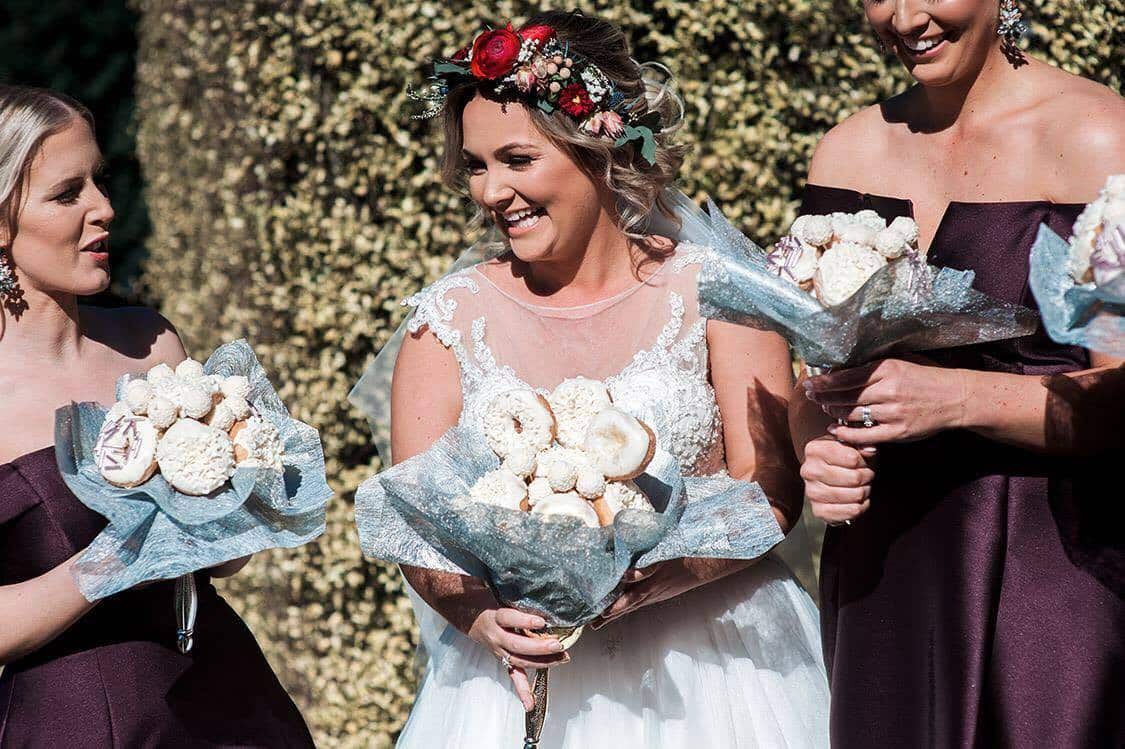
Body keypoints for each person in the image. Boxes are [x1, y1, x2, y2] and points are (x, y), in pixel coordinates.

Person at [383, 10, 828, 748]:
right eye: (475, 164)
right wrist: (478, 617)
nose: (491, 191)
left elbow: (770, 491)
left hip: (722, 671)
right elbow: (416, 527)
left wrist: (656, 580)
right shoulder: (447, 322)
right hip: (520, 684)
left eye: (517, 159)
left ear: (597, 144)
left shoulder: (716, 292)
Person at [789, 1, 1125, 746]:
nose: (904, 17)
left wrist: (958, 397)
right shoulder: (847, 151)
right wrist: (818, 446)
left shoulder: (1097, 139)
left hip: (1050, 567)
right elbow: (815, 380)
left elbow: (1121, 389)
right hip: (881, 570)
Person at [0, 84, 315, 747]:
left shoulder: (150, 340)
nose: (104, 209)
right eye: (68, 193)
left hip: (226, 697)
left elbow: (224, 562)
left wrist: (246, 475)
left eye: (100, 182)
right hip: (82, 722)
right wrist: (118, 557)